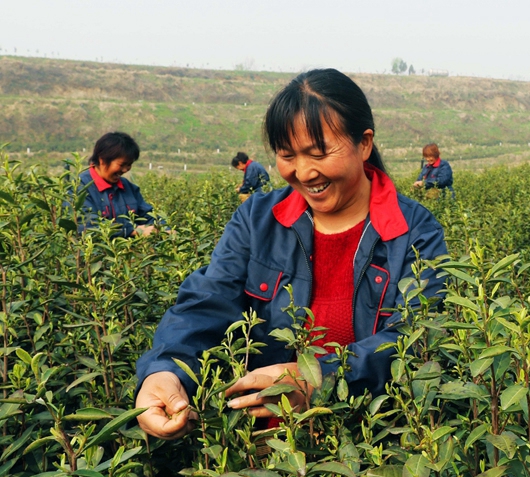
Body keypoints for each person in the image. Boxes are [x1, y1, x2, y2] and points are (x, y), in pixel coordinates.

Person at [135, 69, 448, 440]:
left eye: (319, 153)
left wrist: (320, 378)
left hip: (372, 440)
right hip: (267, 444)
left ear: (364, 144)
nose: (303, 172)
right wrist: (165, 370)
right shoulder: (257, 219)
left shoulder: (413, 231)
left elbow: (417, 338)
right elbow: (208, 301)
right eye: (287, 155)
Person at [77, 132, 159, 238]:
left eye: (129, 165)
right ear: (102, 160)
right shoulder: (80, 187)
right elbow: (87, 226)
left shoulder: (128, 187)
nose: (125, 170)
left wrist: (164, 228)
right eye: (121, 165)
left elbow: (148, 215)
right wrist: (132, 231)